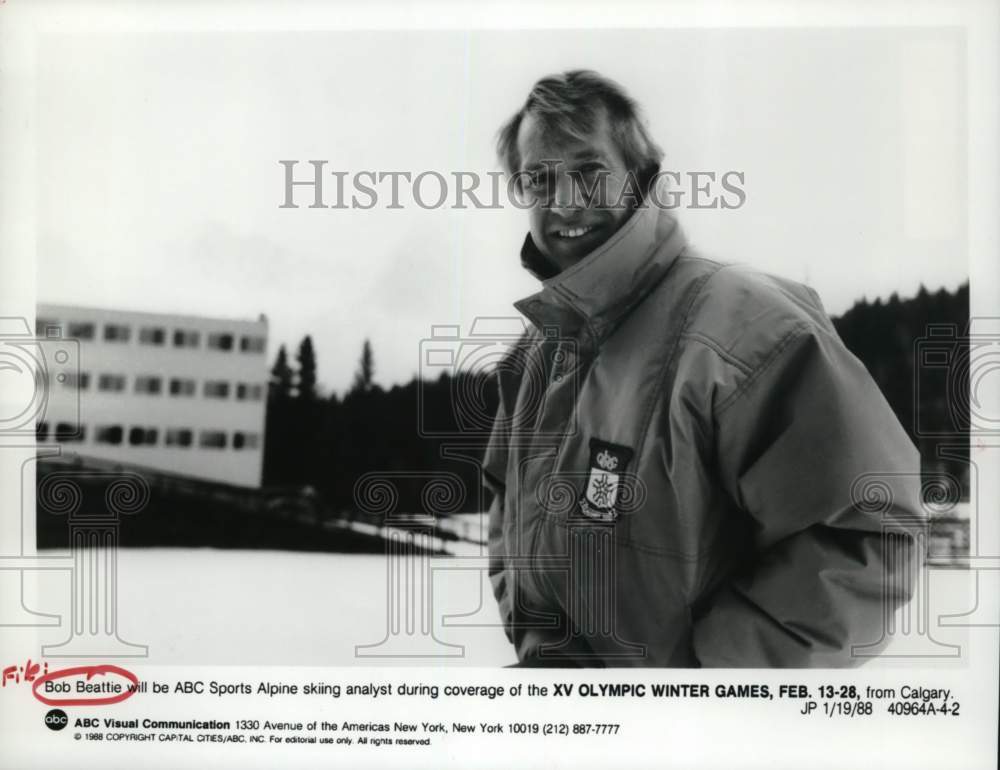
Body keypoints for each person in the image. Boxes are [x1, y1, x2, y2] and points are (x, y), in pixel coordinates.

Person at [482, 69, 922, 667]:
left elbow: (865, 535)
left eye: (589, 172)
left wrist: (706, 694)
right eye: (539, 178)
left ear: (640, 177)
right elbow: (507, 510)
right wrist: (542, 653)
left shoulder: (748, 326)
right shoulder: (533, 359)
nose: (564, 202)